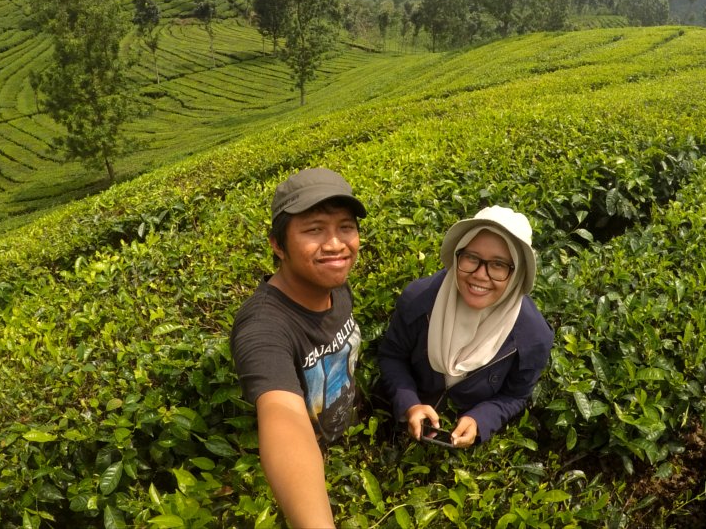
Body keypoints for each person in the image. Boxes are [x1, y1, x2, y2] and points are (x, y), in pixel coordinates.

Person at [231, 168, 366, 528]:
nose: (336, 244)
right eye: (314, 229)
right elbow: (282, 415)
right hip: (315, 470)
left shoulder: (336, 288)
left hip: (351, 435)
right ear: (278, 244)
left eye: (346, 227)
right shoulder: (263, 327)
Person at [378, 205, 553, 448]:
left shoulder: (533, 336)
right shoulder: (419, 299)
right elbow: (392, 356)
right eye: (472, 258)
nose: (480, 275)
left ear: (517, 273)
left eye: (499, 265)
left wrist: (480, 420)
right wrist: (409, 404)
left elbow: (516, 394)